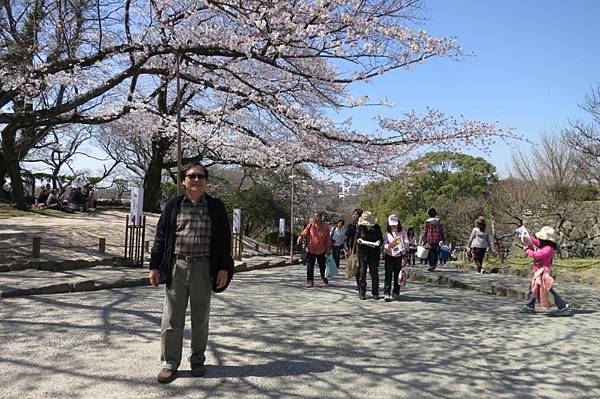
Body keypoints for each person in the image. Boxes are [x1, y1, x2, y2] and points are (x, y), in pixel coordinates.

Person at [148, 162, 234, 384]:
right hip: (177, 265)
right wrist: (154, 266)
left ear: (206, 181)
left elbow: (225, 240)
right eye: (191, 176)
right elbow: (161, 237)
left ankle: (197, 359)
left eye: (201, 176)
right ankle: (170, 362)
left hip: (204, 267)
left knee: (200, 316)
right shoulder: (174, 205)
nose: (196, 179)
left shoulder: (215, 207)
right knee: (172, 317)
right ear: (183, 180)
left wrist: (224, 267)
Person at [518, 226, 570, 316]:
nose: (539, 239)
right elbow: (535, 242)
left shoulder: (548, 248)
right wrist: (526, 236)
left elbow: (536, 255)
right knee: (533, 288)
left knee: (548, 290)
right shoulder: (544, 244)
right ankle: (530, 306)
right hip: (538, 271)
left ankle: (563, 306)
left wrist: (527, 250)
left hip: (543, 272)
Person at [298, 212, 332, 288]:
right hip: (311, 249)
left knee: (322, 266)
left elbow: (328, 239)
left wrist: (328, 249)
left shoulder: (326, 227)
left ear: (321, 218)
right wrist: (300, 237)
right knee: (310, 266)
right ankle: (310, 281)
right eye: (314, 217)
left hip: (321, 250)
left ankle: (323, 277)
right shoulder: (310, 226)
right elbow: (304, 233)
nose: (315, 218)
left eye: (317, 217)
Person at [355, 211, 383, 300]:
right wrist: (359, 240)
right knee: (362, 273)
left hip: (374, 253)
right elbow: (356, 237)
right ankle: (362, 292)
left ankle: (375, 292)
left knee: (374, 273)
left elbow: (380, 238)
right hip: (363, 253)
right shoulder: (360, 227)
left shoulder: (377, 227)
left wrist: (378, 242)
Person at [383, 215, 408, 302]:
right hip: (389, 256)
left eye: (395, 224)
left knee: (398, 275)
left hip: (399, 256)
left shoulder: (403, 232)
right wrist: (389, 246)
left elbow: (407, 244)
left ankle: (396, 292)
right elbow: (385, 244)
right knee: (388, 275)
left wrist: (403, 242)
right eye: (392, 224)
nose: (393, 226)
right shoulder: (387, 234)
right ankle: (386, 293)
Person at [420, 207, 445, 272]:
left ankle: (431, 265)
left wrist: (424, 240)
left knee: (431, 252)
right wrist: (442, 239)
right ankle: (434, 264)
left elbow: (425, 231)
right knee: (436, 253)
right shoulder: (438, 222)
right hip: (437, 239)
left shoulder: (427, 222)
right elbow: (441, 231)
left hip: (430, 239)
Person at [345, 208, 363, 288]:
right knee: (356, 266)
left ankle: (362, 282)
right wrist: (346, 248)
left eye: (355, 214)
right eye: (353, 214)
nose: (353, 216)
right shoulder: (350, 226)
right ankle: (359, 284)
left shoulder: (364, 226)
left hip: (363, 249)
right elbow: (346, 237)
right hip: (354, 249)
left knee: (362, 267)